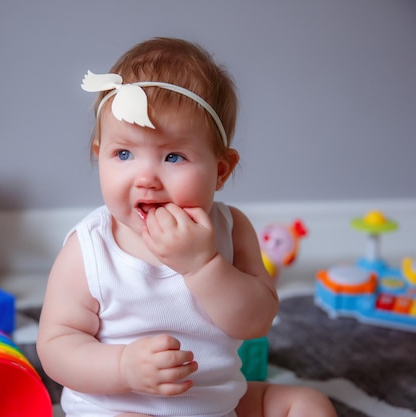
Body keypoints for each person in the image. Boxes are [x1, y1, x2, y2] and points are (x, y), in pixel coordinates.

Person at [37, 37, 336, 417]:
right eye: (124, 153)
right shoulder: (90, 248)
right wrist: (123, 366)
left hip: (213, 403)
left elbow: (256, 322)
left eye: (173, 156)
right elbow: (56, 345)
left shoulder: (231, 229)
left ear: (221, 170)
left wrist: (203, 266)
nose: (145, 177)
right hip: (121, 404)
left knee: (307, 404)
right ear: (100, 154)